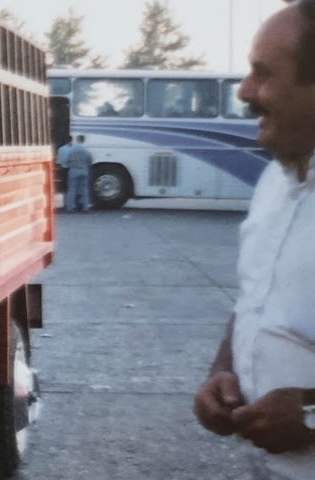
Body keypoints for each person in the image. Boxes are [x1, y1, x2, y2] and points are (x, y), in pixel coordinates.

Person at [193, 3, 315, 478]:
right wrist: (224, 369)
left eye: (263, 74)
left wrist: (308, 413)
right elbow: (254, 299)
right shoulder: (273, 182)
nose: (244, 92)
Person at [57, 134, 93, 212]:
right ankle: (85, 207)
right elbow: (90, 161)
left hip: (73, 171)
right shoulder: (86, 151)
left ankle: (71, 207)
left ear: (76, 140)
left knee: (72, 190)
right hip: (84, 171)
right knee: (84, 190)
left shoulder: (72, 151)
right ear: (83, 141)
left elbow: (66, 161)